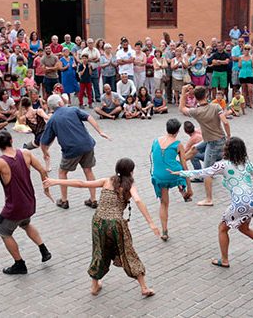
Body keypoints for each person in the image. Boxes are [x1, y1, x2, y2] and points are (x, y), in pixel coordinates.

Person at [43, 158, 159, 297]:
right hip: (116, 224)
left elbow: (81, 184)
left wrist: (56, 181)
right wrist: (151, 223)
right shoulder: (130, 185)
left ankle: (94, 286)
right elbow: (138, 200)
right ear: (131, 171)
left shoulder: (107, 181)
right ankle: (144, 287)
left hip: (99, 222)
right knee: (128, 252)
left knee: (99, 251)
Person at [173, 137, 253, 268]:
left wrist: (181, 173)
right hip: (252, 202)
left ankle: (224, 260)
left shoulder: (223, 165)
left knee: (222, 228)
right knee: (244, 228)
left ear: (227, 150)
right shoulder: (246, 163)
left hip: (239, 203)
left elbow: (203, 172)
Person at [0, 131, 52, 274]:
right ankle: (44, 250)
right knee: (25, 223)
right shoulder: (26, 153)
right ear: (11, 140)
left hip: (15, 206)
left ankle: (19, 264)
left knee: (4, 231)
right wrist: (46, 189)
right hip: (29, 202)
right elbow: (42, 170)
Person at [40, 94, 110, 209]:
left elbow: (44, 142)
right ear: (60, 103)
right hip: (87, 144)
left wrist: (45, 152)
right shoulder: (73, 110)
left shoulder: (52, 120)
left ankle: (64, 200)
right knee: (88, 170)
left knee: (62, 172)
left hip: (71, 150)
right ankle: (93, 200)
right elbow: (89, 117)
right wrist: (100, 131)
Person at [179, 85, 230, 206]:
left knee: (207, 172)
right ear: (206, 95)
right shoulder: (216, 106)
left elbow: (182, 108)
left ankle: (209, 199)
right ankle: (180, 164)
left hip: (214, 143)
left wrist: (183, 92)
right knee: (193, 149)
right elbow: (226, 122)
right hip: (214, 139)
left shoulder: (196, 111)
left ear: (195, 98)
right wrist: (228, 137)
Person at [150, 119, 191, 241]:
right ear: (178, 131)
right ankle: (183, 190)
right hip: (172, 174)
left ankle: (164, 231)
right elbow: (184, 165)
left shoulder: (155, 141)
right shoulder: (178, 144)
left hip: (158, 175)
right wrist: (189, 185)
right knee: (179, 171)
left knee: (164, 203)